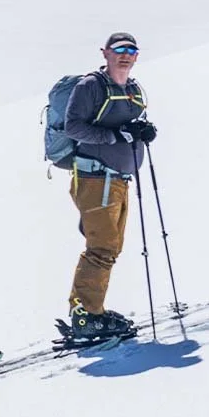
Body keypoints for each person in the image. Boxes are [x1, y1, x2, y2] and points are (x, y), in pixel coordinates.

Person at [64, 32, 155, 339]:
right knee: (101, 247)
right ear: (105, 53)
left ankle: (90, 310)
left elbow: (127, 126)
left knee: (110, 247)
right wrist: (114, 137)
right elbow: (73, 127)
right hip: (95, 178)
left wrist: (142, 131)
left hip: (118, 180)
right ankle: (85, 315)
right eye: (119, 49)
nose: (125, 54)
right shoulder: (91, 86)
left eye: (131, 50)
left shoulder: (132, 89)